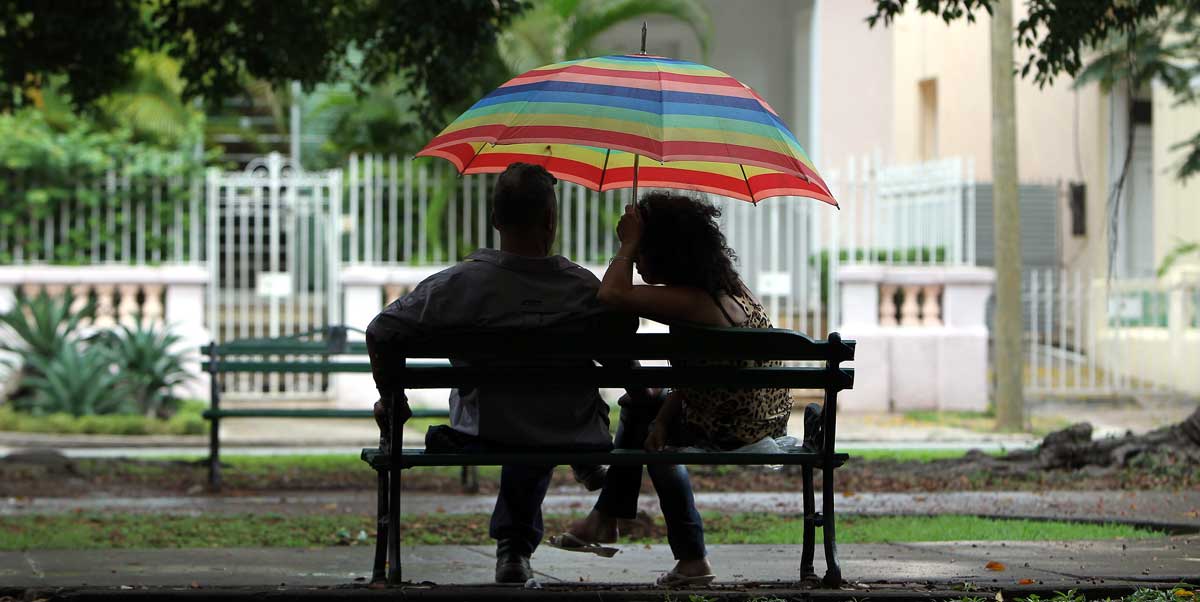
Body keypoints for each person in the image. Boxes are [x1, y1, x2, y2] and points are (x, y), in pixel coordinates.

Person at [365, 162, 637, 584]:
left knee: (518, 415)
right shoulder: (582, 288)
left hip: (484, 429)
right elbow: (623, 348)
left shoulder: (456, 285)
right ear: (551, 220)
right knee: (540, 416)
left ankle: (512, 547)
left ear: (495, 220)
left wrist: (393, 400)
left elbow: (381, 330)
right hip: (569, 427)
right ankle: (517, 540)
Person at [552, 192, 792, 587]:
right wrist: (663, 417)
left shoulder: (693, 301)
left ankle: (661, 543)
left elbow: (611, 295)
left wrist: (626, 243)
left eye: (644, 251)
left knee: (644, 415)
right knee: (644, 406)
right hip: (749, 416)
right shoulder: (724, 289)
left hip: (729, 427)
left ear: (667, 252)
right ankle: (607, 519)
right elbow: (707, 378)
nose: (639, 260)